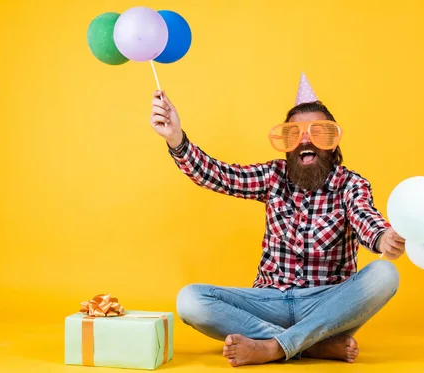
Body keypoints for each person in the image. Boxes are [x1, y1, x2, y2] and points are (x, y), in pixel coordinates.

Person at [148, 75, 406, 367]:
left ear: (332, 143)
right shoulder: (273, 177)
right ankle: (309, 346)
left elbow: (364, 217)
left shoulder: (351, 184)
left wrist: (383, 238)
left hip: (327, 304)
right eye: (294, 134)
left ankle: (273, 346)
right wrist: (176, 139)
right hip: (268, 302)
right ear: (286, 144)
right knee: (190, 300)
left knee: (385, 274)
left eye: (318, 133)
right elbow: (220, 176)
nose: (305, 140)